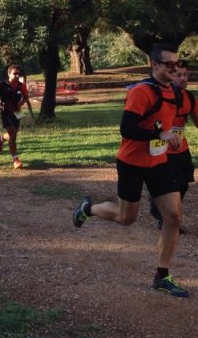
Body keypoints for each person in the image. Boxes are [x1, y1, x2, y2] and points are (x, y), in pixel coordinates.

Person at [72, 43, 189, 298]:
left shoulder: (176, 93)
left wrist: (173, 138)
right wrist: (160, 133)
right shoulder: (141, 92)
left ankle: (162, 275)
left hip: (159, 162)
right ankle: (88, 209)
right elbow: (127, 129)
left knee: (174, 216)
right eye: (169, 64)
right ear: (155, 65)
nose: (174, 68)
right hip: (132, 163)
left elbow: (168, 125)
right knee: (127, 218)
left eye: (177, 64)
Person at [148, 60, 198, 230]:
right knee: (172, 186)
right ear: (170, 75)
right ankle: (167, 217)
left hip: (181, 148)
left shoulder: (190, 98)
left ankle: (160, 207)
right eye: (178, 75)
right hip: (162, 149)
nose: (183, 78)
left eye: (185, 75)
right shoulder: (159, 96)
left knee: (183, 185)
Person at [0, 64, 29, 169]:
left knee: (13, 134)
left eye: (18, 74)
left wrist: (22, 102)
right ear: (9, 73)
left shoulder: (22, 85)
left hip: (17, 112)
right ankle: (15, 160)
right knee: (13, 136)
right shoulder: (2, 84)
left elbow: (26, 97)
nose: (16, 76)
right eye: (14, 74)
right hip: (6, 112)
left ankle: (0, 139)